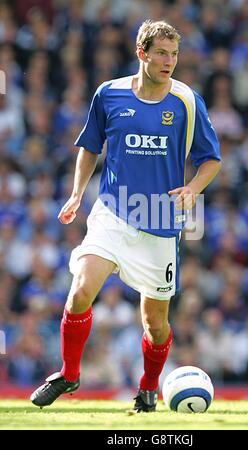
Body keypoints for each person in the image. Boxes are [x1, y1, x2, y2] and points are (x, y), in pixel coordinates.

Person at [30, 19, 221, 412]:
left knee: (155, 324)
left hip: (160, 223)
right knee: (81, 289)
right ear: (142, 53)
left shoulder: (187, 102)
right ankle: (68, 374)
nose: (169, 61)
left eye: (174, 54)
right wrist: (77, 193)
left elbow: (211, 160)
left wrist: (193, 189)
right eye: (162, 53)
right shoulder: (110, 94)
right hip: (112, 213)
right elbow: (90, 146)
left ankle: (149, 388)